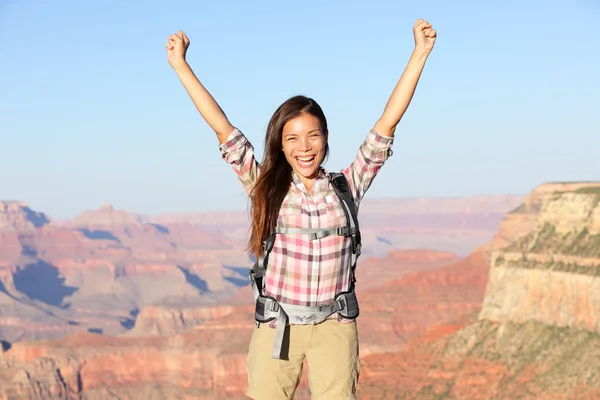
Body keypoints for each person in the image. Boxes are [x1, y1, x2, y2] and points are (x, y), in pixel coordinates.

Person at [166, 18, 436, 400]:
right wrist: (180, 65)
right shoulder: (265, 188)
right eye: (292, 138)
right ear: (280, 144)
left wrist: (419, 54)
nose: (304, 146)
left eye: (313, 135)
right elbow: (223, 130)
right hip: (279, 326)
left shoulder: (347, 186)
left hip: (335, 327)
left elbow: (386, 124)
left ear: (325, 137)